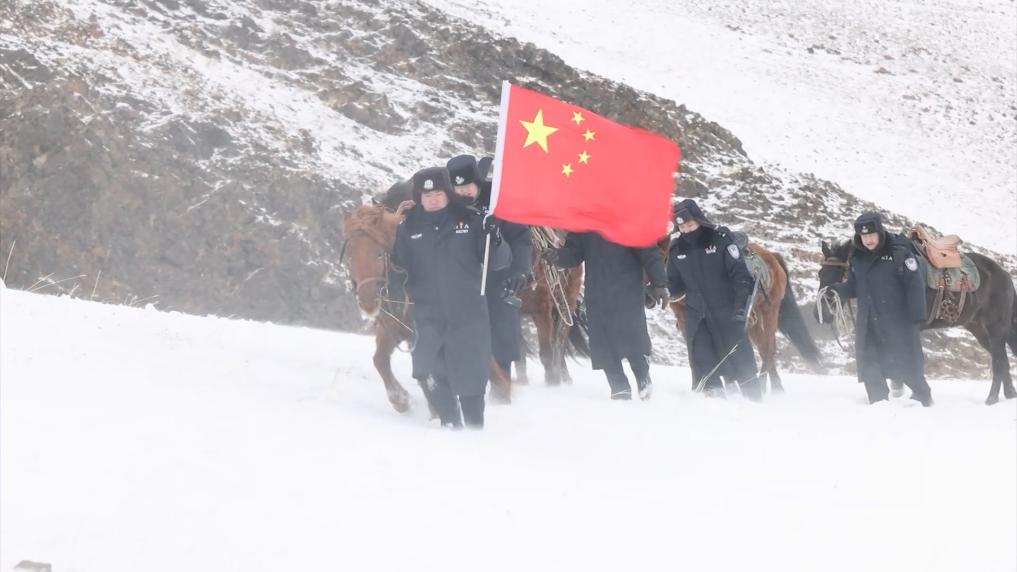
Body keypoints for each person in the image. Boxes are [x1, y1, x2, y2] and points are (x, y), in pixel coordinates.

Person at [391, 167, 508, 428]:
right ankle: (450, 422)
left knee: (470, 375)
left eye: (438, 194)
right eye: (427, 195)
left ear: (448, 194)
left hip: (468, 313)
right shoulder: (408, 228)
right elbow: (399, 268)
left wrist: (495, 237)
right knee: (427, 370)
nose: (432, 199)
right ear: (419, 197)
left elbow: (499, 262)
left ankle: (475, 429)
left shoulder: (471, 221)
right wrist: (391, 285)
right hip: (428, 315)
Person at [543, 231, 668, 400]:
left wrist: (660, 283)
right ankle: (619, 386)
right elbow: (574, 253)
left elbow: (650, 253)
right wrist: (558, 256)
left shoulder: (630, 220)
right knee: (602, 341)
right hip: (597, 291)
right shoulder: (585, 225)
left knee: (633, 336)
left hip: (628, 289)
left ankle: (642, 376)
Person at [828, 212, 933, 406]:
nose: (868, 240)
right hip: (868, 322)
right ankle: (878, 404)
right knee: (870, 364)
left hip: (898, 322)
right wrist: (836, 290)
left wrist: (916, 318)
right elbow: (855, 286)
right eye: (864, 236)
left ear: (880, 232)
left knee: (907, 364)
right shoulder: (857, 258)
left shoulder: (899, 253)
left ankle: (922, 398)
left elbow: (915, 286)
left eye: (871, 235)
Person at [446, 154, 533, 378]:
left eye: (467, 186)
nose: (463, 192)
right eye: (458, 188)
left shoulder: (498, 201)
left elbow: (521, 238)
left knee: (501, 335)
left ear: (477, 182)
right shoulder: (448, 206)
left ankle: (502, 383)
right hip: (463, 284)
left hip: (499, 277)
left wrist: (520, 270)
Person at [665, 199, 761, 400]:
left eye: (690, 225)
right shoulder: (677, 250)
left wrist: (741, 309)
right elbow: (675, 285)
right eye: (682, 227)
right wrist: (659, 291)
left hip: (728, 313)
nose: (687, 231)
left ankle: (753, 401)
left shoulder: (721, 240)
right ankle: (713, 404)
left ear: (699, 220)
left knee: (740, 360)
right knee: (703, 362)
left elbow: (742, 277)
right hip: (697, 318)